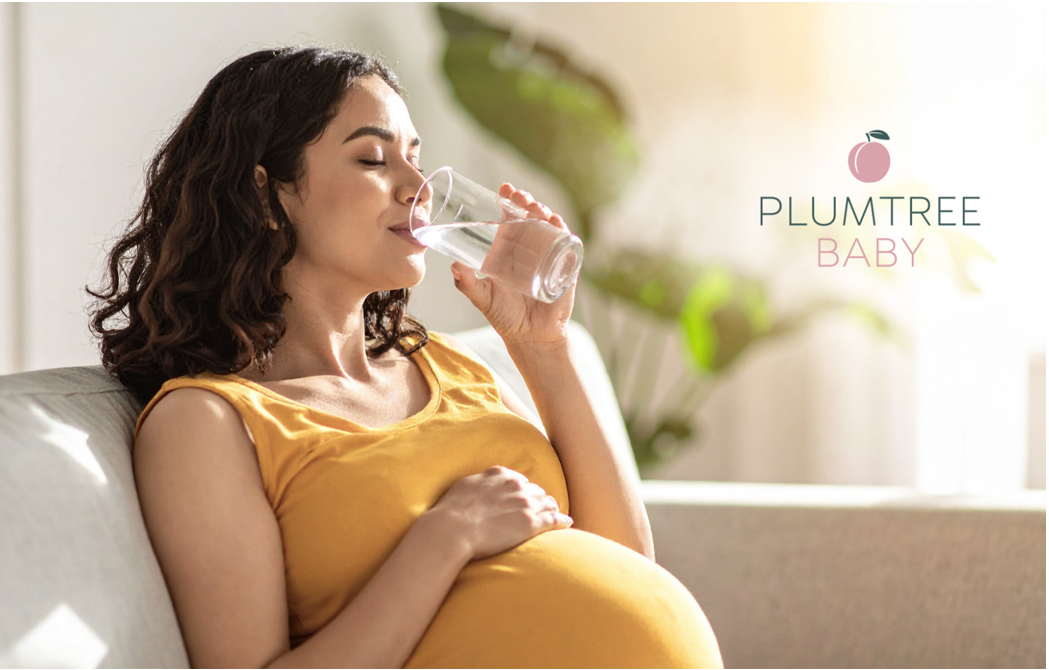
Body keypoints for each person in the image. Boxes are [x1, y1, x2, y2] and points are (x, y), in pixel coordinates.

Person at [89, 46, 723, 668]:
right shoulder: (207, 422)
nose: (418, 189)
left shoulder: (447, 366)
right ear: (266, 193)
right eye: (373, 158)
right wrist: (448, 536)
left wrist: (543, 347)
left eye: (416, 159)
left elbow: (630, 565)